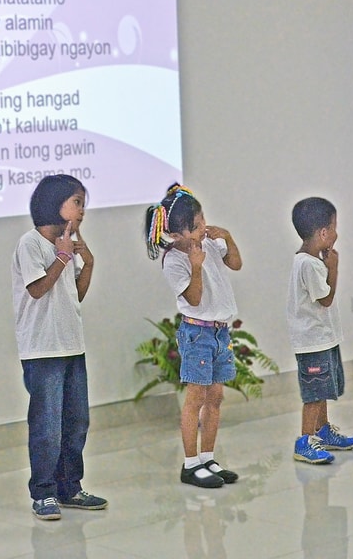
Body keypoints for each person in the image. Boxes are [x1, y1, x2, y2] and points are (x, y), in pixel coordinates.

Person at [12, 174, 107, 520]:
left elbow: (75, 295)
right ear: (55, 203)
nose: (82, 210)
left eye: (83, 203)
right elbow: (37, 289)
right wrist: (64, 257)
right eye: (77, 202)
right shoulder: (31, 243)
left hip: (71, 345)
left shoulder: (67, 243)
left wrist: (88, 262)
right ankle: (44, 493)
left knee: (76, 421)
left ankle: (70, 486)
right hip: (42, 350)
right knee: (47, 425)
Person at [144, 183, 243, 489]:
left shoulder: (211, 244)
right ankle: (190, 464)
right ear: (177, 233)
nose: (203, 228)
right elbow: (195, 299)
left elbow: (236, 263)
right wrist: (196, 268)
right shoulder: (173, 260)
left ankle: (208, 457)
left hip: (219, 331)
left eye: (203, 221)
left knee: (215, 396)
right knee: (195, 398)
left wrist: (226, 236)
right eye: (196, 226)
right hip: (196, 332)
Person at [287, 197, 353, 465]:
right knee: (315, 394)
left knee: (325, 389)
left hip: (322, 339)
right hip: (313, 342)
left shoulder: (308, 261)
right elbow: (325, 298)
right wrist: (334, 267)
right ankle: (304, 441)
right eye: (334, 227)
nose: (336, 233)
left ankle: (323, 431)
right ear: (324, 233)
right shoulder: (309, 264)